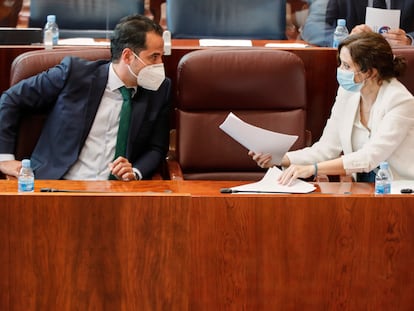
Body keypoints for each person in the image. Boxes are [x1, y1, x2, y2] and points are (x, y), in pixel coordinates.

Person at [0, 14, 171, 181]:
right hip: (58, 185)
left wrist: (134, 171)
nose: (159, 65)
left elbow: (156, 148)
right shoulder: (75, 74)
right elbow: (11, 99)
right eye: (154, 57)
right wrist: (4, 158)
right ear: (127, 56)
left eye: (161, 56)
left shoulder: (159, 90)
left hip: (116, 192)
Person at [249, 32, 414, 185]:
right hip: (365, 188)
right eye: (340, 64)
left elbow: (370, 157)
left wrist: (313, 169)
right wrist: (280, 158)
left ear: (369, 72)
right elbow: (326, 148)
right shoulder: (348, 93)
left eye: (347, 66)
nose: (340, 71)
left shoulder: (399, 101)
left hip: (401, 190)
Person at [326, 0, 414, 46]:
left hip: (401, 60)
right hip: (354, 58)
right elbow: (325, 28)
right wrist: (345, 39)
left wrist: (409, 41)